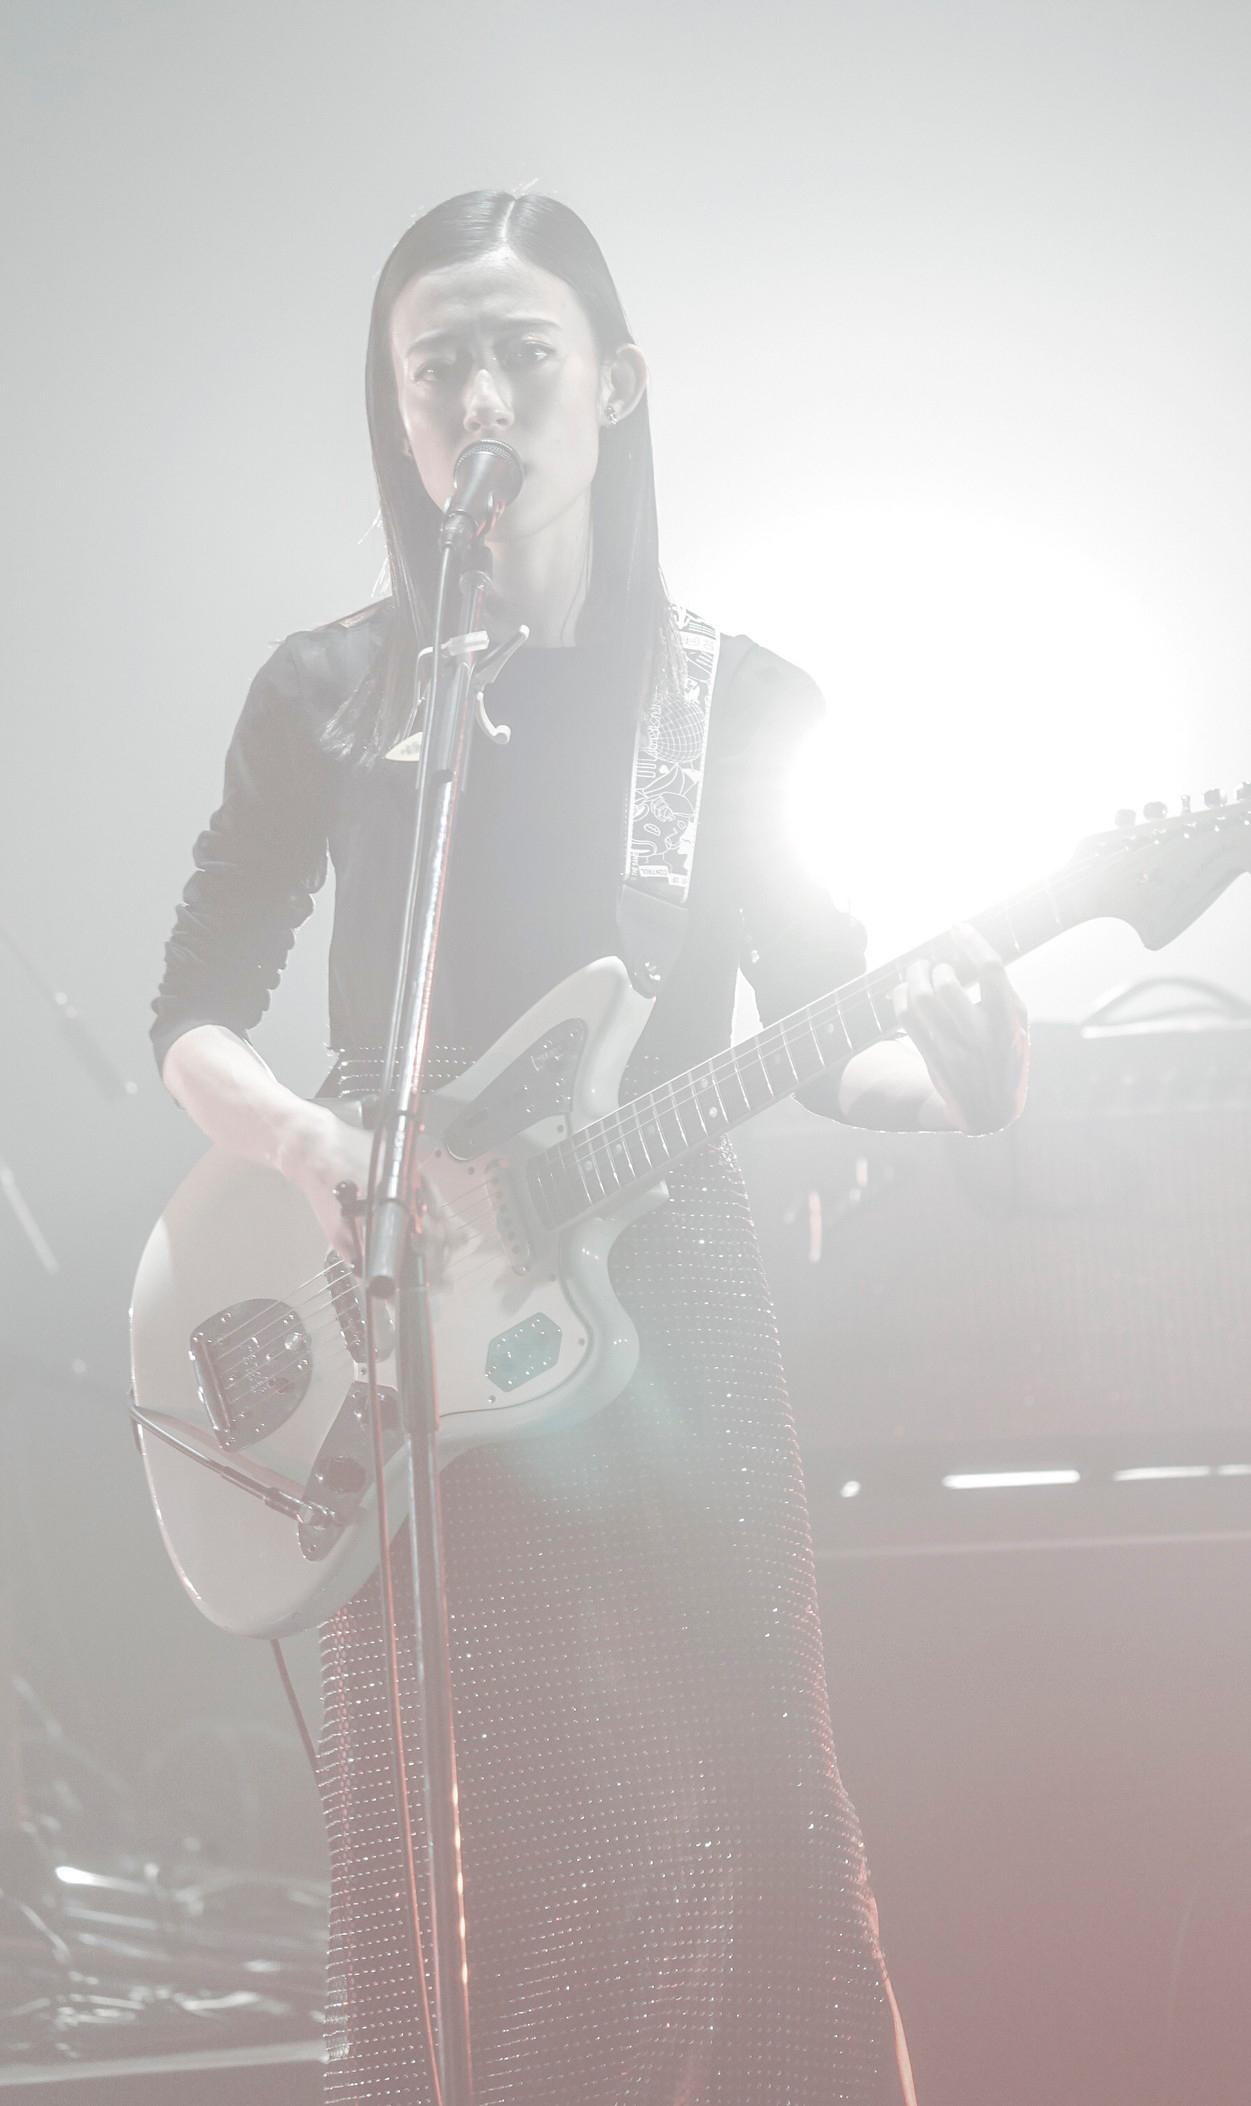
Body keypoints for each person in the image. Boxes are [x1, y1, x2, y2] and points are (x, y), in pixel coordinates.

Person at [152, 189, 1028, 2106]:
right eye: (436, 367)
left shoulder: (740, 707)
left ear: (615, 387)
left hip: (667, 1334)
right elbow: (194, 1010)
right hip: (409, 1322)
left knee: (725, 1815)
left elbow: (829, 1032)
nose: (480, 398)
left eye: (521, 356)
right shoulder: (334, 693)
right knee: (481, 1850)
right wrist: (316, 1150)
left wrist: (958, 1081)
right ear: (395, 410)